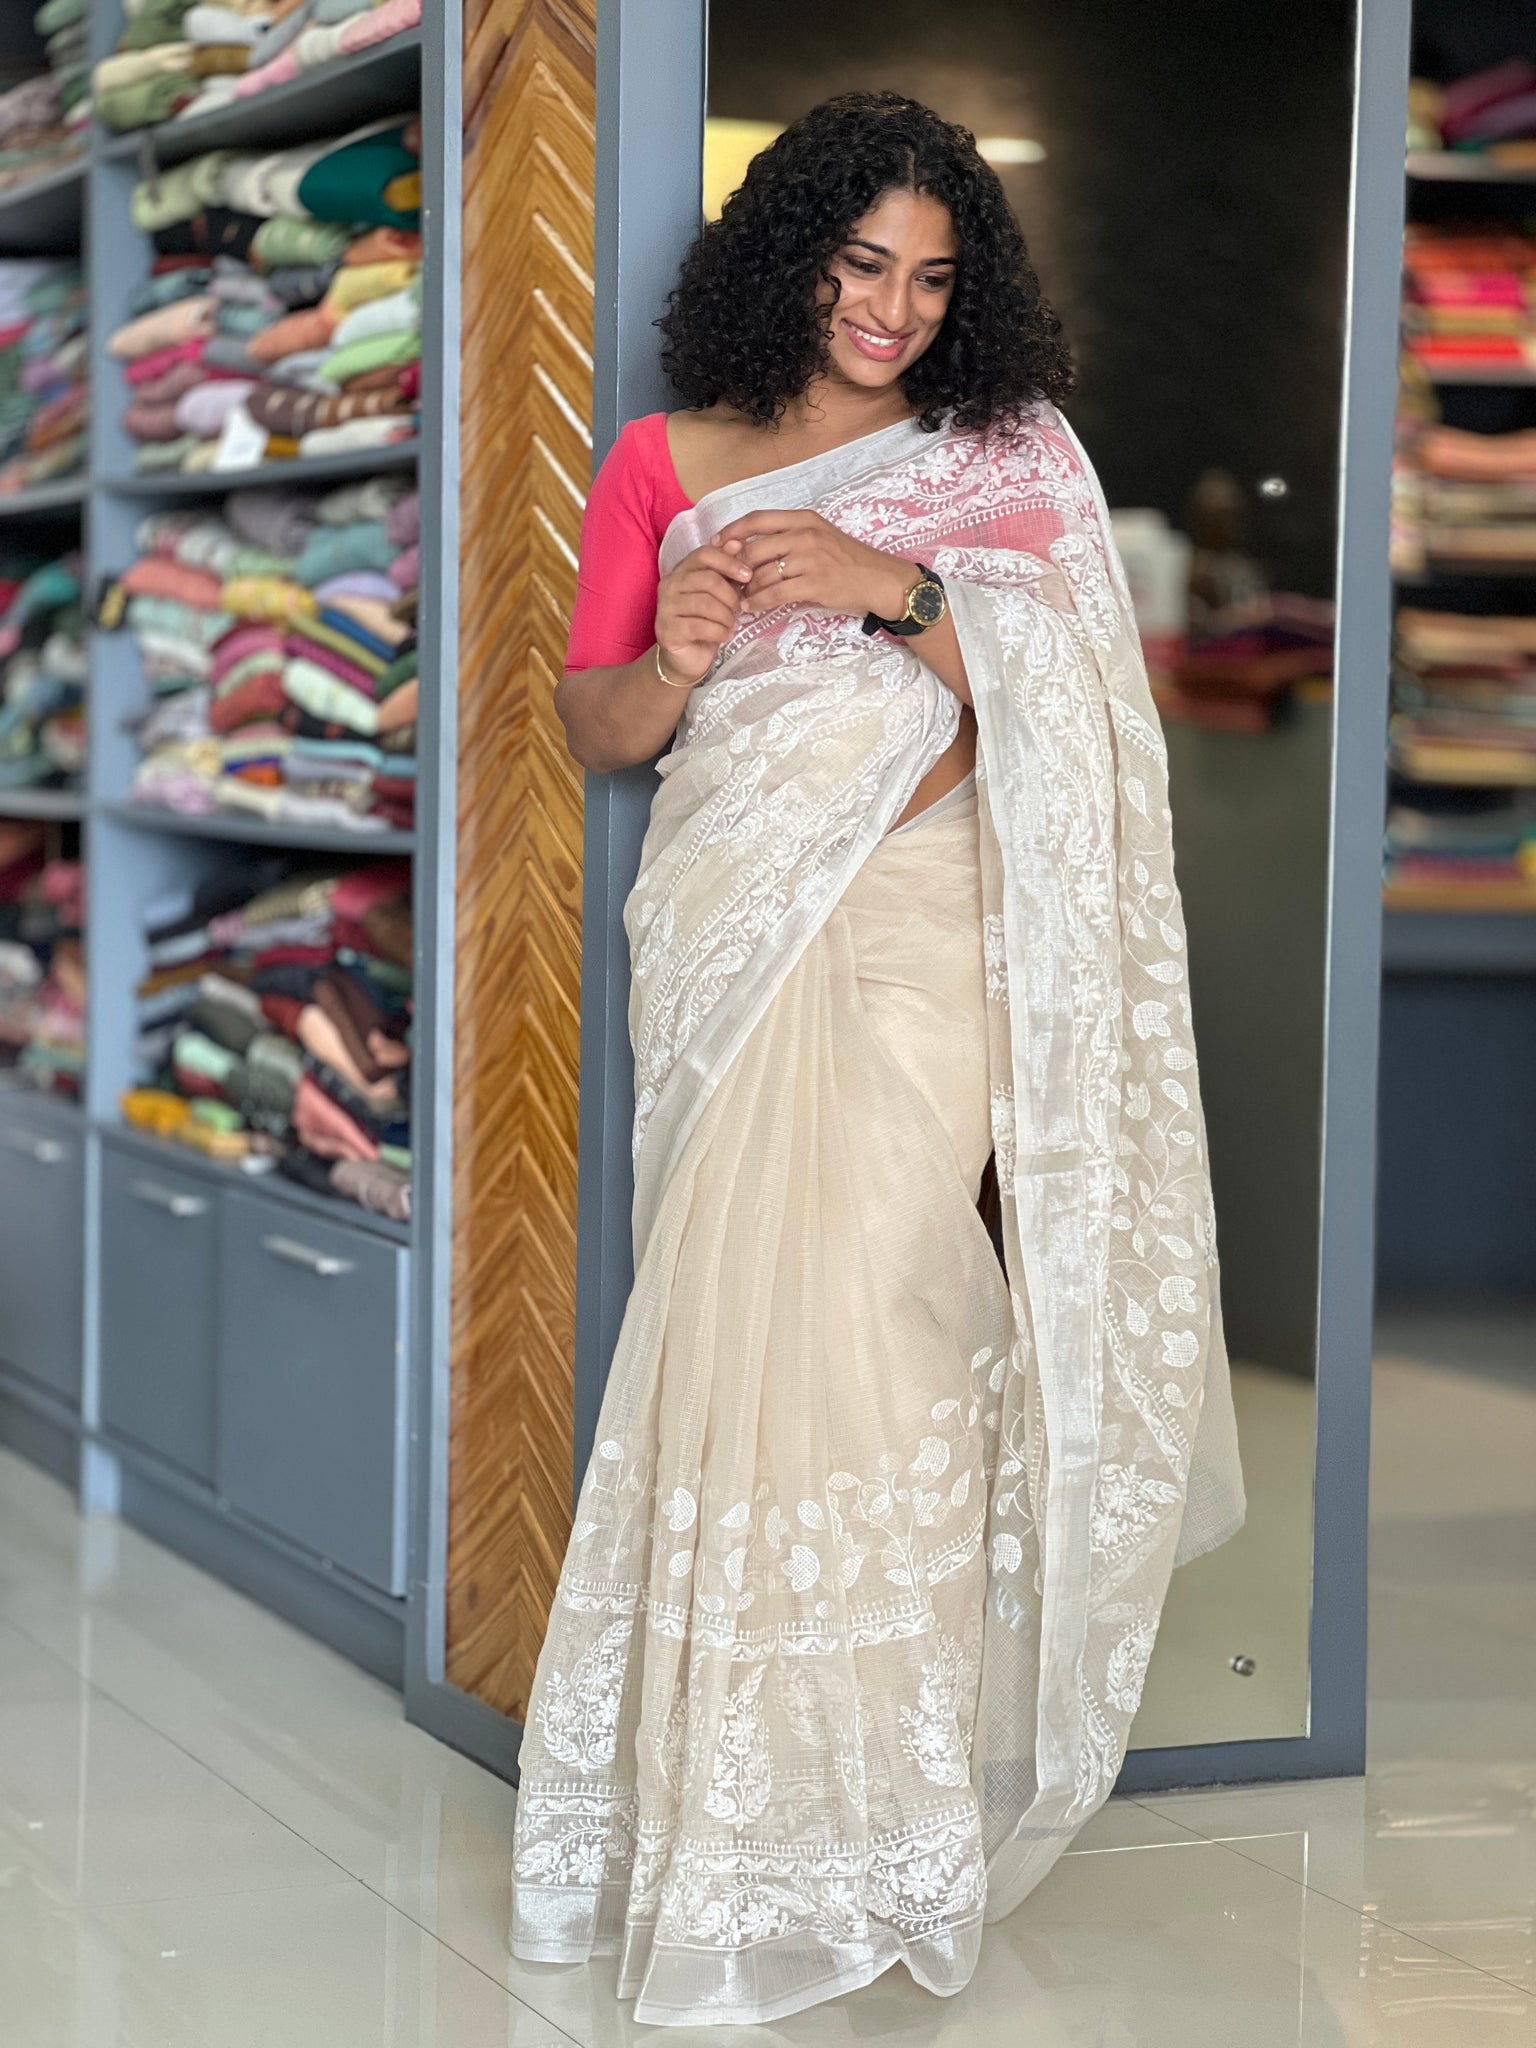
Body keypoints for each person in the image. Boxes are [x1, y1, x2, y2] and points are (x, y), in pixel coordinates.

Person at [510, 91, 1246, 2028]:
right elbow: (598, 725)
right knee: (733, 1353)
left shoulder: (1008, 457)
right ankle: (728, 1817)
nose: (895, 312)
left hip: (932, 946)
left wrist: (897, 589)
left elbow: (1086, 723)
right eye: (862, 268)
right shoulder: (667, 462)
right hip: (733, 945)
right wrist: (671, 654)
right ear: (792, 253)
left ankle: (881, 1820)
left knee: (886, 1334)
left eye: (932, 280)